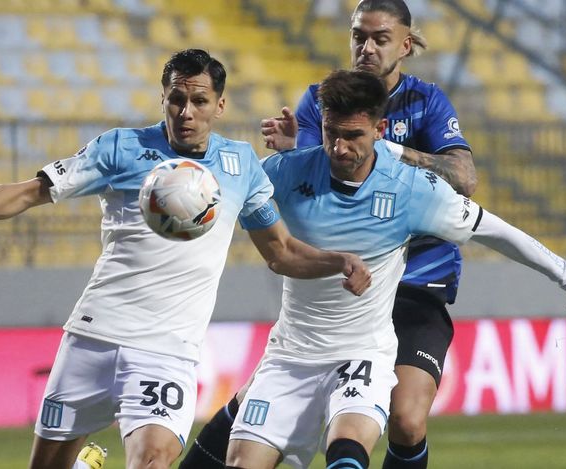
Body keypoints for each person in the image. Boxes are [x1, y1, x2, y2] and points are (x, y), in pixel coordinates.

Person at [0, 49, 371, 469]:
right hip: (93, 336)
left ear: (220, 106)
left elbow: (281, 251)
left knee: (153, 459)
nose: (186, 112)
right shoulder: (121, 148)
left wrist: (337, 261)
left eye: (200, 101)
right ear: (163, 99)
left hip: (166, 351)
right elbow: (32, 192)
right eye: (176, 99)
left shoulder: (240, 165)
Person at [224, 69, 566, 469]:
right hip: (291, 357)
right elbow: (218, 208)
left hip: (362, 355)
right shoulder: (287, 171)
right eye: (332, 133)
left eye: (354, 136)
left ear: (381, 129)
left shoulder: (412, 189)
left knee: (347, 451)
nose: (339, 148)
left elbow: (495, 231)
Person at [181, 2, 477, 467]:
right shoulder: (322, 97)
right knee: (255, 399)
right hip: (339, 286)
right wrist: (286, 152)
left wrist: (389, 150)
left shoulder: (426, 103)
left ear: (405, 44)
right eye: (359, 35)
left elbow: (464, 178)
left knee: (407, 419)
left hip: (416, 281)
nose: (366, 47)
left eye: (380, 38)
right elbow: (312, 175)